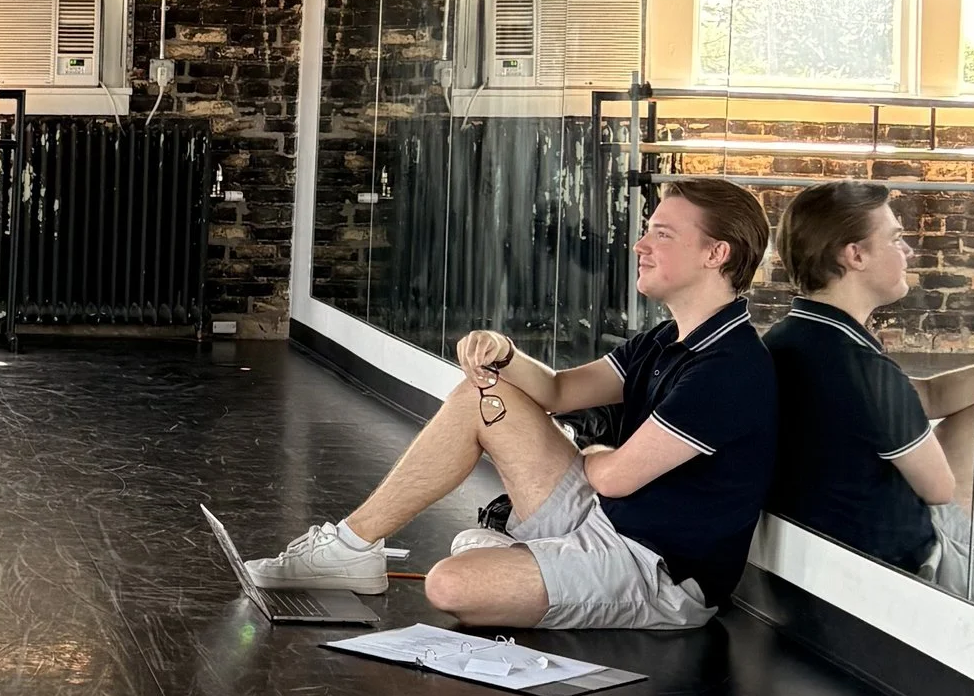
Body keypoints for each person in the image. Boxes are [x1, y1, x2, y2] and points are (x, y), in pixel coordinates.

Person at [248, 178, 779, 629]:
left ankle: (517, 559)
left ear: (717, 253)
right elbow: (560, 392)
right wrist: (502, 353)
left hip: (653, 568)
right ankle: (349, 547)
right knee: (485, 394)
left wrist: (594, 454)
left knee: (451, 585)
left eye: (661, 234)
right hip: (605, 517)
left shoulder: (729, 367)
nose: (640, 245)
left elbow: (615, 477)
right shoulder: (667, 338)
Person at [765, 182, 974, 582]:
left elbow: (925, 396)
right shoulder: (862, 366)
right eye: (896, 238)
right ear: (855, 254)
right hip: (896, 568)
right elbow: (941, 490)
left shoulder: (795, 337)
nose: (908, 251)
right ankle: (962, 563)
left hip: (815, 552)